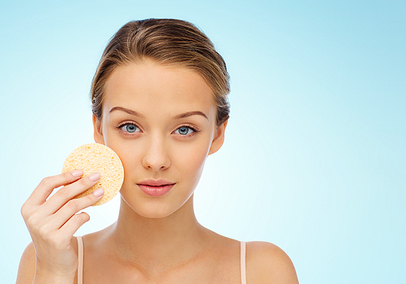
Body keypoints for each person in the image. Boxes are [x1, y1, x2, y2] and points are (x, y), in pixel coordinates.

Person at [16, 18, 298, 284]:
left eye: (184, 129)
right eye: (129, 127)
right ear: (99, 130)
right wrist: (54, 273)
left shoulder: (262, 270)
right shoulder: (47, 259)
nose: (155, 160)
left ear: (217, 134)